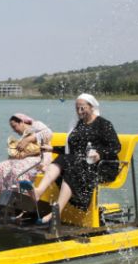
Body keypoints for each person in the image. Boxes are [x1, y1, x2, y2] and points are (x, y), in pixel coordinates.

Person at [32, 93, 121, 223]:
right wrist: (53, 149)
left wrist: (99, 154)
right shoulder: (79, 125)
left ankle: (56, 211)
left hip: (103, 166)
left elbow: (115, 146)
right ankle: (39, 191)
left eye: (82, 108)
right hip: (83, 163)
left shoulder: (103, 124)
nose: (79, 111)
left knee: (73, 167)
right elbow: (74, 150)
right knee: (64, 159)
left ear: (91, 107)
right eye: (77, 108)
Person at [0, 113, 52, 214]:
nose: (14, 130)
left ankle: (21, 204)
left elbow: (49, 133)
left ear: (21, 122)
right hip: (26, 158)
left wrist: (28, 139)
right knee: (0, 166)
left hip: (40, 157)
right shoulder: (22, 136)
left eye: (14, 126)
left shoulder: (36, 125)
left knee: (16, 169)